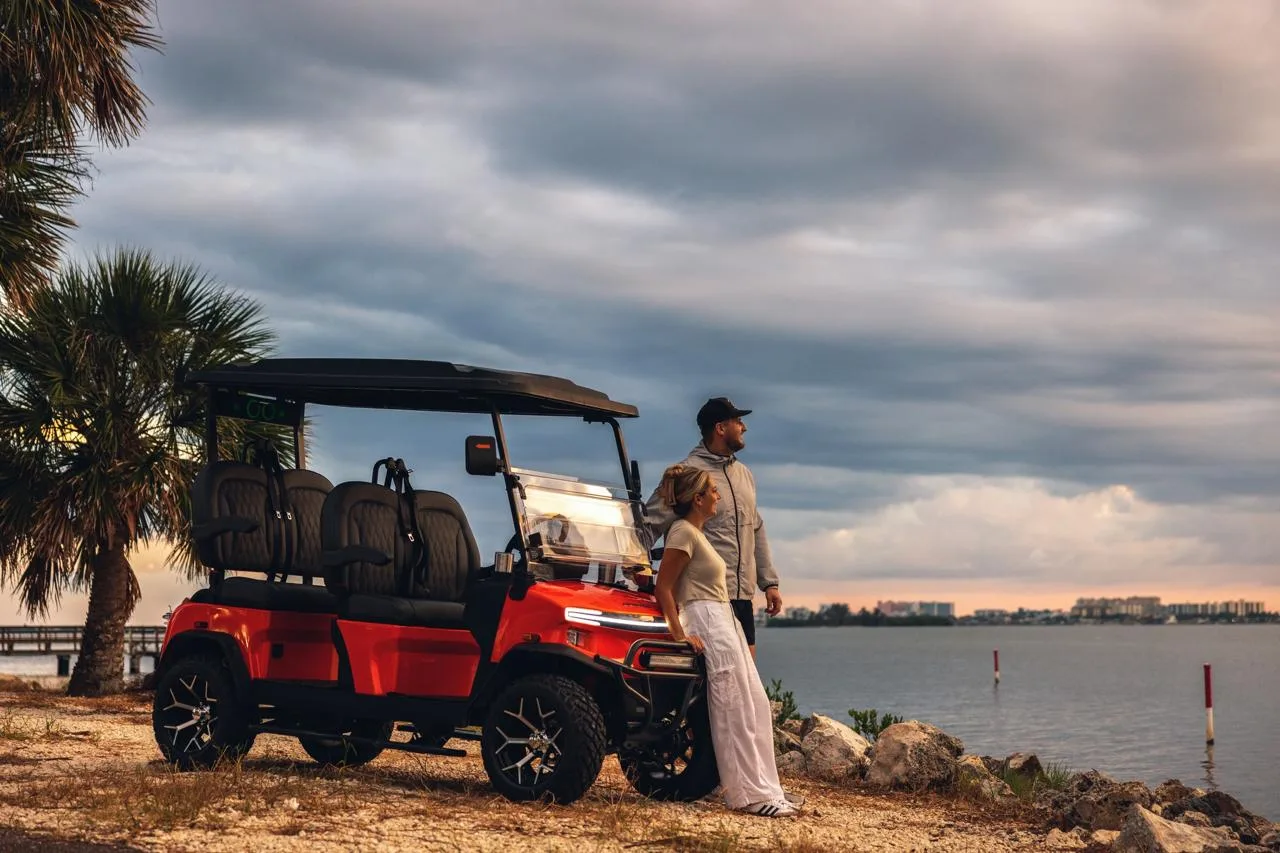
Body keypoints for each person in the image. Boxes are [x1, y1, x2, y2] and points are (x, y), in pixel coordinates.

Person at [652, 464, 799, 818]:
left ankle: (768, 788)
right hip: (706, 618)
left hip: (724, 619)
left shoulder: (697, 534)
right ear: (698, 499)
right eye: (713, 491)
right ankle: (747, 795)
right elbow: (664, 587)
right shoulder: (682, 532)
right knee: (732, 708)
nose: (718, 496)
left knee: (755, 704)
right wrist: (679, 634)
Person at [645, 397, 781, 658]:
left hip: (742, 598)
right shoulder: (687, 474)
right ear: (720, 428)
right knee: (711, 675)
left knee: (745, 674)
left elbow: (755, 527)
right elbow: (649, 524)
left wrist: (769, 584)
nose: (744, 427)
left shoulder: (745, 474)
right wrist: (631, 566)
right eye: (738, 421)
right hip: (704, 599)